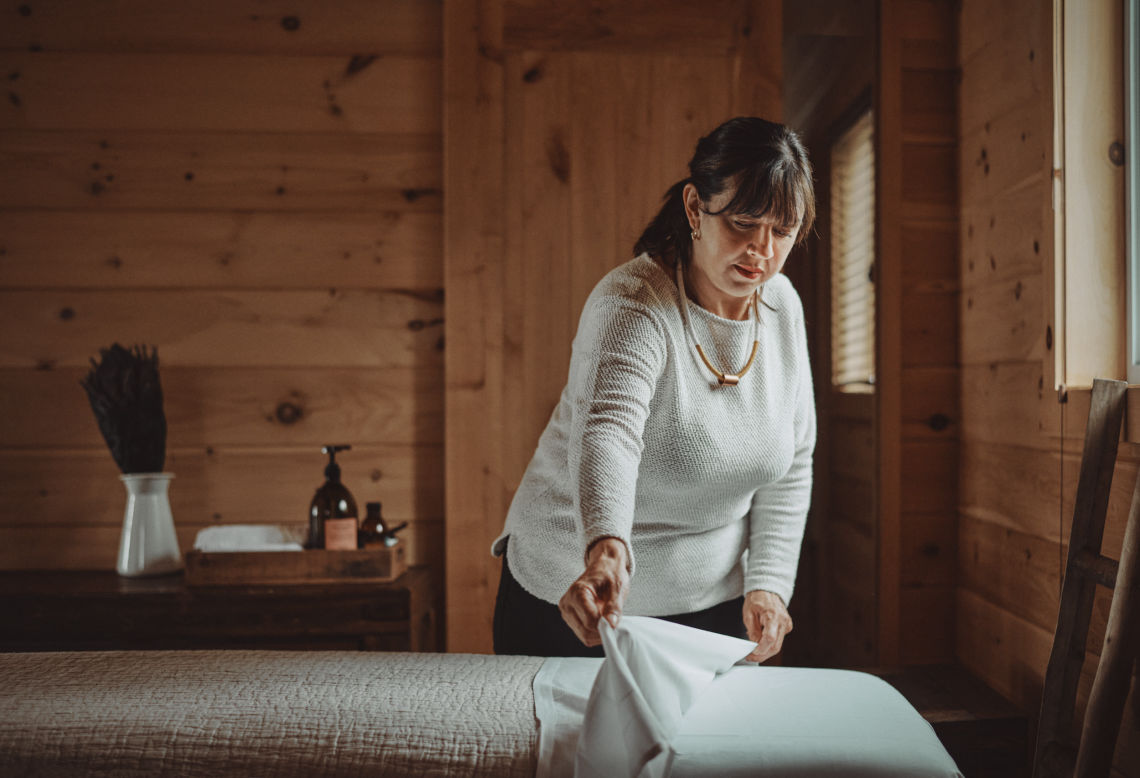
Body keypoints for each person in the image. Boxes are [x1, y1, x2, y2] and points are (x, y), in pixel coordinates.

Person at [491, 116, 816, 663]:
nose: (761, 249)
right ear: (695, 208)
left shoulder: (783, 308)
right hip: (580, 596)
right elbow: (608, 437)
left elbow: (793, 461)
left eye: (782, 231)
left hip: (712, 605)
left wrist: (768, 583)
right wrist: (605, 550)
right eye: (742, 222)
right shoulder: (633, 304)